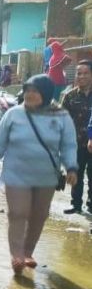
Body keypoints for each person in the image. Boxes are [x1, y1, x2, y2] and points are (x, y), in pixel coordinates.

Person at [0, 74, 78, 274]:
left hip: (46, 177)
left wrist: (72, 167)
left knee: (39, 215)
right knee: (18, 212)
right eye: (27, 90)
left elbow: (68, 144)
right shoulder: (13, 114)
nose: (29, 94)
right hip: (16, 174)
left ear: (46, 94)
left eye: (35, 91)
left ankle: (27, 252)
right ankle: (16, 255)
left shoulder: (61, 116)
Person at [61, 59, 92, 214]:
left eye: (86, 73)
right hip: (75, 144)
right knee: (76, 174)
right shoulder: (69, 96)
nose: (82, 76)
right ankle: (76, 204)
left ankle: (91, 205)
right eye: (79, 73)